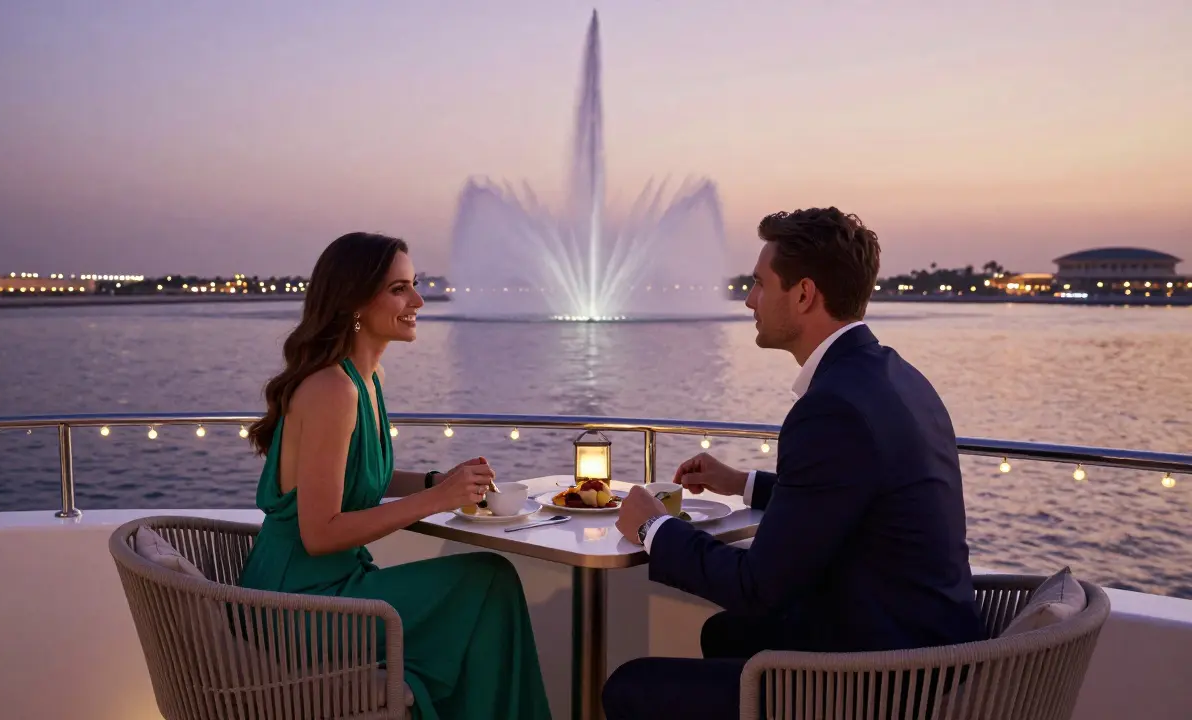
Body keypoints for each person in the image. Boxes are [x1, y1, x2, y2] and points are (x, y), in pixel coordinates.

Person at [605, 208, 987, 719]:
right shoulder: (896, 378)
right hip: (933, 652)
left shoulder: (832, 409)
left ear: (804, 294)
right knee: (725, 633)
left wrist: (652, 528)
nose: (748, 299)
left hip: (885, 682)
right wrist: (744, 484)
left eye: (761, 284)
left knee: (630, 687)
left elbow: (756, 587)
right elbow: (846, 496)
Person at [238, 232, 552, 720]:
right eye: (400, 289)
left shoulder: (366, 380)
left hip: (337, 589)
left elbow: (359, 476)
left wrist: (433, 482)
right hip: (297, 608)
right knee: (488, 582)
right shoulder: (332, 390)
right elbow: (319, 534)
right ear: (356, 301)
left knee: (485, 585)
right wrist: (437, 500)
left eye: (415, 285)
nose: (419, 301)